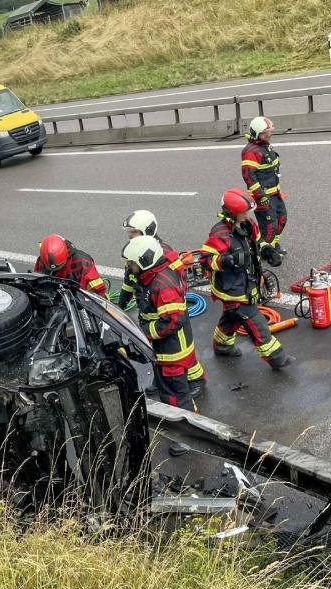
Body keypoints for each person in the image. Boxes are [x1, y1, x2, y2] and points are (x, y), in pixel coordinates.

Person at [200, 189, 295, 369]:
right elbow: (205, 261)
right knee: (257, 324)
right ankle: (277, 358)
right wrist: (227, 260)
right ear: (232, 212)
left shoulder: (248, 224)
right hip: (233, 290)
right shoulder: (219, 234)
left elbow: (258, 243)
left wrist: (268, 251)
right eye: (243, 212)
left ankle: (222, 346)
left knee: (231, 318)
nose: (247, 215)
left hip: (246, 284)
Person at [119, 210, 205, 396]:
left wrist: (169, 302)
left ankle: (196, 378)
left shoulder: (163, 252)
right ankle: (160, 379)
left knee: (182, 351)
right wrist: (124, 297)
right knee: (157, 351)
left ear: (146, 230)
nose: (129, 235)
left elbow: (177, 279)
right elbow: (130, 277)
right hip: (148, 308)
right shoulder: (136, 251)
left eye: (133, 232)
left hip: (166, 308)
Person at [241, 116, 287, 253]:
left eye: (268, 132)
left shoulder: (266, 147)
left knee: (281, 219)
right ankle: (265, 251)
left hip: (275, 194)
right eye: (264, 133)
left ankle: (273, 246)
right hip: (264, 196)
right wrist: (260, 195)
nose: (268, 135)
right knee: (269, 226)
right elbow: (249, 176)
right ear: (256, 133)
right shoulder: (251, 151)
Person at [34, 234, 107, 297]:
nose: (54, 270)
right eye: (50, 268)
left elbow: (100, 292)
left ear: (67, 255)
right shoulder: (42, 260)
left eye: (60, 266)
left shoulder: (83, 263)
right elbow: (35, 280)